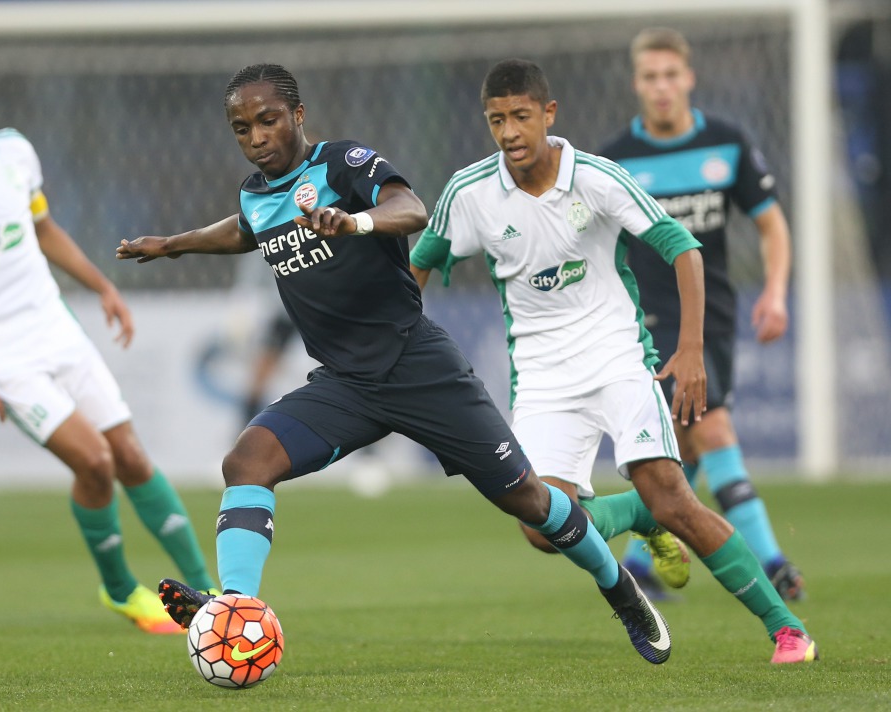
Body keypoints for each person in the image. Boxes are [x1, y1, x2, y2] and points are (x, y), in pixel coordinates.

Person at [118, 62, 677, 666]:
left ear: (298, 117)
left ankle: (622, 592)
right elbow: (244, 230)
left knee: (532, 503)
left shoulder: (343, 164)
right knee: (247, 460)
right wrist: (170, 244)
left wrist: (355, 220)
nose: (256, 137)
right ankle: (235, 609)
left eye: (268, 120)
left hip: (418, 366)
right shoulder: (256, 194)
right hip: (347, 386)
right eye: (242, 128)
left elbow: (411, 208)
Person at [409, 59, 816, 664]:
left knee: (675, 496)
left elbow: (682, 247)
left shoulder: (596, 178)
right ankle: (643, 516)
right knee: (539, 528)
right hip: (544, 380)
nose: (509, 132)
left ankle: (787, 629)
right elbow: (415, 269)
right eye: (496, 120)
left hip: (620, 358)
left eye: (521, 116)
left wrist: (689, 349)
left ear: (549, 114)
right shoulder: (469, 194)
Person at [0, 53, 216, 634]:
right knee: (94, 461)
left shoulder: (14, 150)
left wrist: (102, 285)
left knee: (133, 457)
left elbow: (42, 228)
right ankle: (119, 590)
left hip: (57, 328)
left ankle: (211, 595)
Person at [598, 28, 805, 602]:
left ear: (688, 78)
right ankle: (772, 565)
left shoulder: (727, 143)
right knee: (711, 426)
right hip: (650, 322)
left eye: (671, 75)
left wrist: (777, 291)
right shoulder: (616, 159)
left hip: (713, 317)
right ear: (637, 84)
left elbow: (770, 223)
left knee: (688, 447)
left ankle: (638, 562)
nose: (661, 88)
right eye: (650, 77)